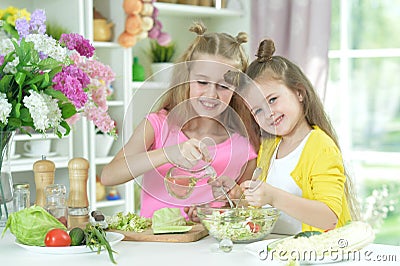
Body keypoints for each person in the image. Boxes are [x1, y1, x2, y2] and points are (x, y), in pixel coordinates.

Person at [101, 22, 260, 219]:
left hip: (210, 246)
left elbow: (244, 208)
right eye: (202, 82)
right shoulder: (158, 126)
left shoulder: (245, 145)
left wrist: (213, 213)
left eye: (224, 86)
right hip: (154, 245)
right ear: (187, 77)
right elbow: (109, 175)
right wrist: (168, 153)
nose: (211, 94)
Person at [237, 39, 359, 234]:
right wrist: (238, 196)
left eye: (273, 100)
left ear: (299, 93)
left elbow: (329, 218)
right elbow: (263, 207)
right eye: (258, 110)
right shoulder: (269, 147)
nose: (268, 113)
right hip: (278, 253)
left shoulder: (320, 147)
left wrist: (273, 197)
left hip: (316, 256)